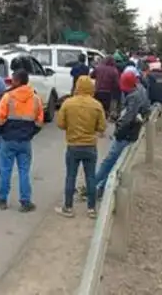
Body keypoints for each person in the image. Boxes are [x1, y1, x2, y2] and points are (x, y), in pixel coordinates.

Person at [55, 75, 106, 218]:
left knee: (71, 176)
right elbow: (102, 127)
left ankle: (68, 207)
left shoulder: (68, 103)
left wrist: (71, 128)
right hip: (90, 146)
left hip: (73, 145)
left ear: (77, 86)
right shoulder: (97, 105)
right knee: (90, 177)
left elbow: (60, 124)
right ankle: (91, 209)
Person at [95, 70, 150, 198]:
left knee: (110, 160)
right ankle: (101, 186)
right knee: (115, 161)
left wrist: (117, 131)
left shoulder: (133, 97)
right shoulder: (140, 91)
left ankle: (94, 185)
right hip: (132, 133)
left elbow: (128, 117)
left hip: (125, 134)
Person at [0, 69, 43, 212]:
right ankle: (25, 201)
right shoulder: (35, 98)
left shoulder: (8, 97)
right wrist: (30, 134)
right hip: (25, 141)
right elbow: (39, 121)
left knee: (5, 170)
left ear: (17, 81)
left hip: (8, 139)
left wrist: (2, 132)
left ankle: (2, 200)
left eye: (13, 79)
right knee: (24, 172)